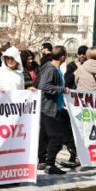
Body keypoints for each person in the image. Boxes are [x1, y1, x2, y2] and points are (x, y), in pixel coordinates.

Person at [37, 45, 70, 175]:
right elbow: (44, 86)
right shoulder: (51, 69)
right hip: (49, 108)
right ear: (63, 56)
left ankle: (44, 161)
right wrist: (62, 90)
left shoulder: (54, 68)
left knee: (45, 137)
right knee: (56, 137)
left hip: (53, 107)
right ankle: (50, 164)